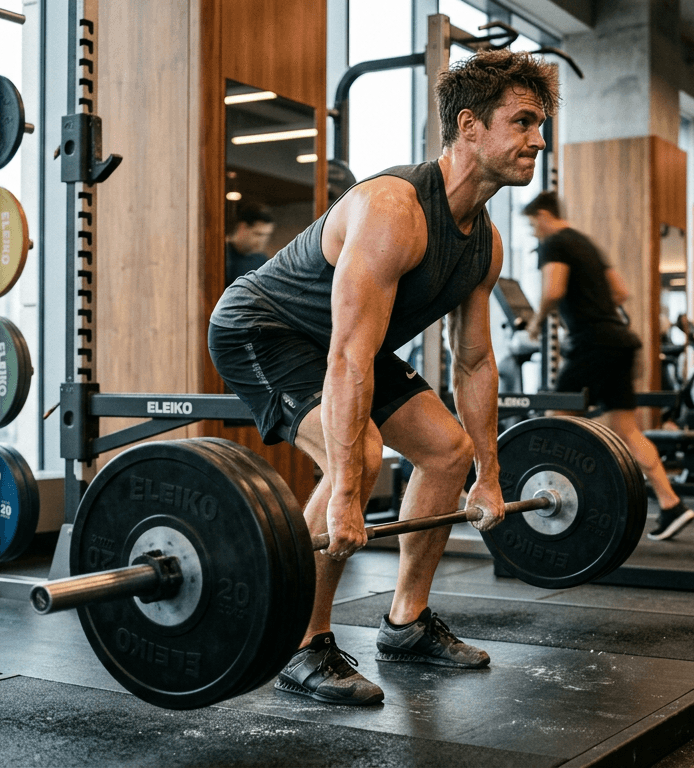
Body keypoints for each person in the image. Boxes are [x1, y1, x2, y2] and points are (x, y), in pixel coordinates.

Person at [208, 50, 558, 706]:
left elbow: (475, 362)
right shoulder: (394, 209)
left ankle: (406, 622)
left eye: (540, 124)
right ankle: (299, 642)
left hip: (343, 344)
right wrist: (345, 493)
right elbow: (347, 357)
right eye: (523, 122)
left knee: (447, 452)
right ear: (469, 126)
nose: (539, 140)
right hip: (264, 328)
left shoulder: (484, 243)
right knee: (359, 455)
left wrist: (488, 472)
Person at [522, 191, 694, 542]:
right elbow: (620, 292)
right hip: (619, 340)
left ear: (543, 215)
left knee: (556, 421)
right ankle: (671, 503)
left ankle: (559, 504)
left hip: (592, 344)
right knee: (626, 429)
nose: (532, 233)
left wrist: (536, 324)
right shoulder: (586, 243)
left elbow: (553, 290)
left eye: (531, 225)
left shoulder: (554, 243)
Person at [224, 202, 276, 288]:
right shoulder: (223, 255)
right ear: (242, 227)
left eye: (267, 235)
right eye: (258, 234)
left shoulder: (262, 260)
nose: (262, 241)